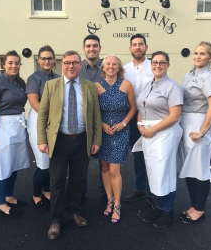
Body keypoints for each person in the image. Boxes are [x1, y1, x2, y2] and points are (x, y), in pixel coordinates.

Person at [37, 50, 102, 240]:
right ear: (61, 65)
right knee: (56, 181)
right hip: (59, 141)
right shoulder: (51, 86)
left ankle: (72, 211)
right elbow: (43, 115)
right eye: (67, 63)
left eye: (74, 63)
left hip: (82, 140)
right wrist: (42, 139)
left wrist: (96, 140)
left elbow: (96, 116)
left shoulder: (89, 87)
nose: (71, 66)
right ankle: (56, 219)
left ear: (80, 65)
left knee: (77, 179)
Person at [135, 51, 183, 228]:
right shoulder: (147, 85)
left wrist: (152, 130)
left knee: (165, 172)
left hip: (165, 133)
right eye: (155, 62)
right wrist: (140, 125)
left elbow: (174, 116)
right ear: (151, 64)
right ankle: (158, 206)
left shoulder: (172, 87)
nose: (158, 65)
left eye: (162, 62)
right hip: (148, 134)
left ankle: (168, 210)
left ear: (168, 65)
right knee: (154, 172)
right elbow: (141, 106)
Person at [178, 41, 211, 224]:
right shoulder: (191, 74)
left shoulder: (209, 77)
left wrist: (201, 132)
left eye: (202, 54)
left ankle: (200, 209)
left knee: (200, 169)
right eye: (196, 53)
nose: (197, 56)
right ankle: (194, 205)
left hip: (198, 122)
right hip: (186, 121)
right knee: (189, 168)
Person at [93, 55, 136, 223]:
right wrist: (101, 124)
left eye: (114, 64)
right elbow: (93, 111)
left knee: (114, 170)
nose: (111, 67)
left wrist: (124, 123)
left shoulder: (126, 85)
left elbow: (133, 108)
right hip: (103, 131)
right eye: (108, 64)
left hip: (120, 131)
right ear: (103, 68)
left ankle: (117, 204)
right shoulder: (96, 86)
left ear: (119, 68)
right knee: (104, 167)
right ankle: (109, 200)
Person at [0, 50, 30, 216]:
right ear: (4, 65)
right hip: (2, 127)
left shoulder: (20, 82)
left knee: (14, 164)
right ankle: (1, 201)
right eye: (10, 63)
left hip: (18, 125)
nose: (14, 65)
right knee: (3, 166)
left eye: (17, 63)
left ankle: (10, 196)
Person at [26, 45, 60, 210]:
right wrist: (51, 118)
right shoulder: (34, 78)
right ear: (38, 60)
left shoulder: (59, 77)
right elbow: (34, 103)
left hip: (56, 123)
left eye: (50, 58)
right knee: (43, 162)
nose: (47, 61)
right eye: (43, 58)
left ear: (54, 60)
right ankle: (36, 194)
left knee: (53, 161)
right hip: (40, 121)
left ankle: (47, 190)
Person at [123, 34, 155, 204]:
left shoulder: (154, 66)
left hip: (152, 118)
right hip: (132, 117)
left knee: (153, 154)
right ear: (130, 48)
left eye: (140, 44)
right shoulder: (124, 69)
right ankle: (140, 189)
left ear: (146, 47)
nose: (137, 47)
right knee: (137, 153)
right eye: (134, 45)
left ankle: (153, 191)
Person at [79, 34, 105, 200]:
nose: (92, 49)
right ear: (84, 49)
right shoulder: (77, 68)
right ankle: (81, 194)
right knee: (81, 162)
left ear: (99, 48)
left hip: (106, 120)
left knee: (106, 161)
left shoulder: (108, 66)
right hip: (82, 121)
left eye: (95, 46)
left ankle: (106, 193)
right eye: (88, 46)